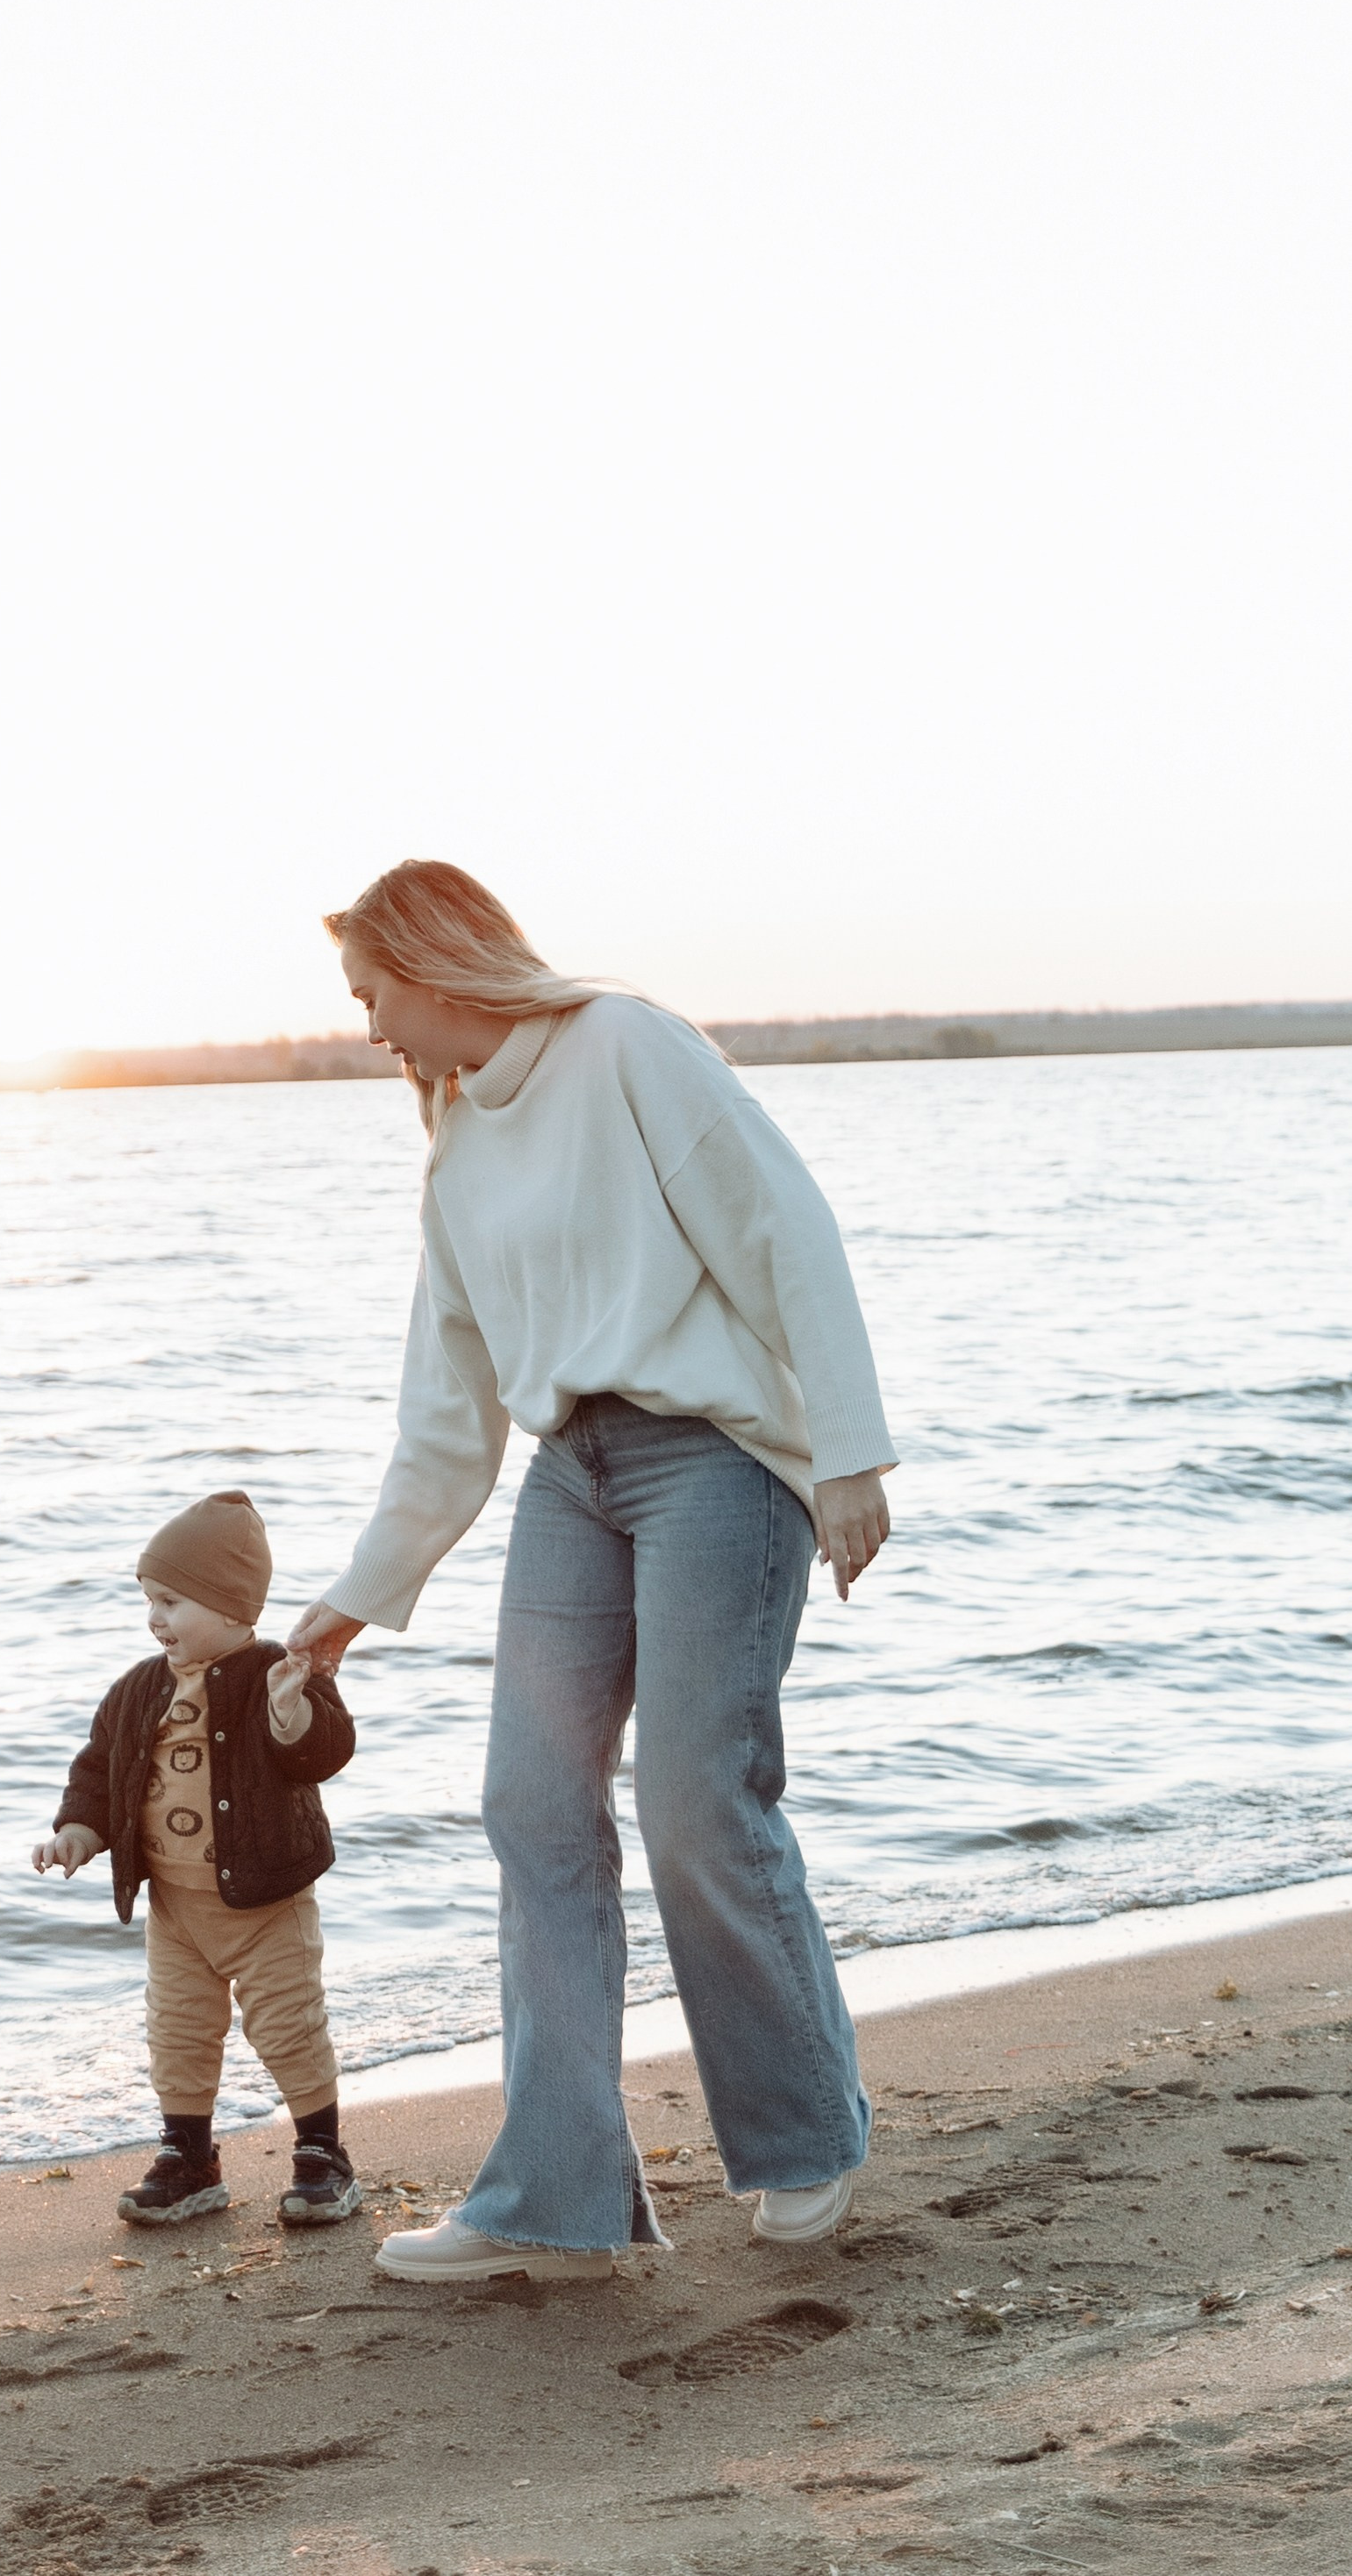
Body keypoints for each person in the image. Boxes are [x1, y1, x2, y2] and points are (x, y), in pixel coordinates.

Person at [289, 860, 897, 2287]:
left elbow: (780, 1224)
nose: (367, 1022)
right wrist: (345, 1604)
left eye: (370, 989)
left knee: (696, 1797)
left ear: (434, 966)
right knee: (530, 1803)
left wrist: (849, 1451)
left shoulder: (625, 1042)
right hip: (572, 1473)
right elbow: (447, 1415)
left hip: (713, 1465)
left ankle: (806, 2136)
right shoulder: (453, 1148)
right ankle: (554, 2196)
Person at [35, 1487, 362, 2230]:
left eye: (173, 1601)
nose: (156, 1618)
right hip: (176, 1909)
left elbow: (325, 1751)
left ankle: (321, 2154)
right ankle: (189, 2157)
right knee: (177, 2032)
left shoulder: (278, 1672)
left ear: (232, 1607)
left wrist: (292, 1712)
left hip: (267, 1902)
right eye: (150, 1600)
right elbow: (99, 1769)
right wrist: (80, 1832)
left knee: (288, 2023)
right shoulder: (137, 1689)